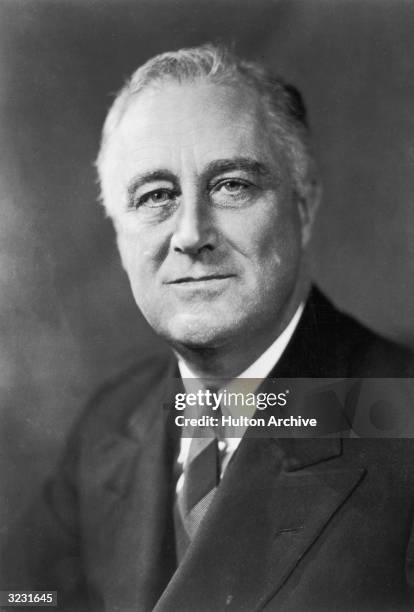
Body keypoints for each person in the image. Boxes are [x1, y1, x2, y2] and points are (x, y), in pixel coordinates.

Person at [4, 44, 414, 612]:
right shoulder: (112, 423)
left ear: (305, 204)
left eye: (233, 185)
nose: (192, 232)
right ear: (120, 238)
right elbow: (25, 597)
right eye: (155, 196)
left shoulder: (400, 414)